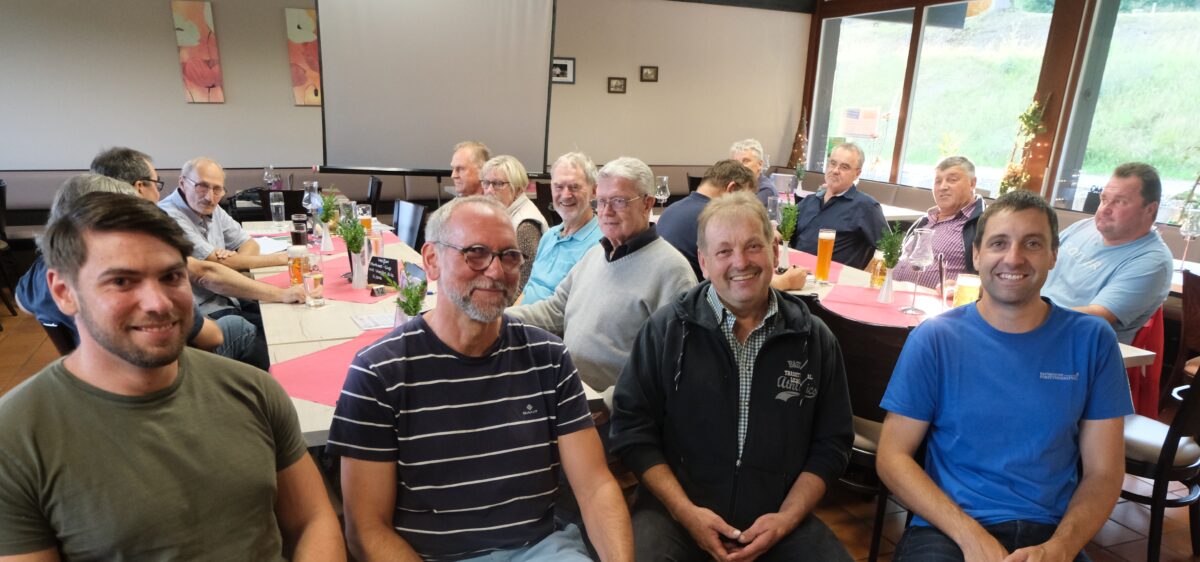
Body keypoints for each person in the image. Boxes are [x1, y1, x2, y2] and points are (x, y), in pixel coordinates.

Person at [0, 192, 345, 560]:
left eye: (171, 276)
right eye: (121, 281)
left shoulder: (253, 389)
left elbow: (312, 520)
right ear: (63, 292)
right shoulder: (17, 437)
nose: (159, 303)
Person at [327, 196, 634, 562]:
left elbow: (596, 486)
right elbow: (366, 530)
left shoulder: (548, 359)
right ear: (431, 260)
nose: (495, 270)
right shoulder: (379, 373)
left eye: (509, 256)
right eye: (475, 253)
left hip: (539, 550)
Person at [877, 189, 1132, 561]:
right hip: (949, 529)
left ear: (1053, 256)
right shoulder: (935, 338)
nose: (1014, 258)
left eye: (1032, 243)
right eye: (999, 243)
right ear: (977, 255)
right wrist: (971, 539)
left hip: (1051, 531)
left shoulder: (1092, 340)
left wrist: (1061, 548)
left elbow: (1104, 472)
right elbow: (892, 456)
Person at [611, 192, 855, 562]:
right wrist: (685, 512)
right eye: (724, 251)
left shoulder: (814, 338)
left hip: (777, 518)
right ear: (704, 263)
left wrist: (786, 519)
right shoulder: (666, 330)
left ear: (775, 253)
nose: (740, 262)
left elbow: (832, 444)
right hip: (675, 513)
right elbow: (632, 429)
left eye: (753, 246)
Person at [507, 156, 697, 400]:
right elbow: (555, 310)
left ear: (647, 203)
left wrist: (610, 402)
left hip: (618, 413)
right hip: (568, 390)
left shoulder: (672, 271)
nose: (606, 212)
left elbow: (674, 364)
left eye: (619, 201)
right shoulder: (596, 254)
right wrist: (499, 320)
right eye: (601, 201)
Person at [15, 174, 229, 356]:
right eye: (121, 282)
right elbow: (212, 337)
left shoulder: (42, 269)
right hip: (166, 358)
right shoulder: (147, 281)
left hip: (91, 364)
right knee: (240, 328)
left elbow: (22, 303)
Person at [159, 157, 308, 365]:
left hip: (231, 297)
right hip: (208, 313)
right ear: (182, 183)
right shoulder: (167, 216)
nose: (210, 197)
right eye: (202, 187)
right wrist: (283, 259)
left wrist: (232, 261)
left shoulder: (211, 206)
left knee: (291, 321)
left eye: (217, 189)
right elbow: (209, 272)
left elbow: (248, 243)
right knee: (278, 340)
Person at [1041, 162, 1173, 345]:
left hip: (1076, 348)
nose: (1104, 209)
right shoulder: (1084, 227)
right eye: (1104, 199)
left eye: (1119, 202)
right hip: (1035, 329)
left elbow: (1096, 317)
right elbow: (1036, 263)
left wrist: (1027, 315)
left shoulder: (1152, 261)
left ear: (1150, 209)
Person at [658, 159, 810, 291]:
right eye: (747, 199)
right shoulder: (713, 221)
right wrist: (786, 281)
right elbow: (740, 282)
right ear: (732, 190)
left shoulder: (671, 210)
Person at [522, 151, 604, 305]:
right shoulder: (549, 236)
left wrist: (510, 320)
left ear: (594, 191)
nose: (565, 195)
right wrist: (508, 318)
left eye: (574, 187)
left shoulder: (600, 245)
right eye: (558, 187)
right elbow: (528, 290)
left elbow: (570, 312)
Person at [893, 156, 986, 289]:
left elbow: (999, 279)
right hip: (894, 295)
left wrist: (973, 288)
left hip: (936, 306)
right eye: (938, 181)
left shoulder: (983, 224)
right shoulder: (925, 220)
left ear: (972, 183)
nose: (943, 187)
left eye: (952, 180)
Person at [789, 143, 886, 270]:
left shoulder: (866, 207)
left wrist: (864, 278)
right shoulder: (809, 201)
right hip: (794, 273)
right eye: (833, 163)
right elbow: (782, 233)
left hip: (831, 283)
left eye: (844, 167)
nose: (835, 170)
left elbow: (888, 250)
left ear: (857, 174)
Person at [480, 154, 549, 295]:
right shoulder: (504, 212)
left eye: (498, 184)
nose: (489, 190)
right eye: (486, 183)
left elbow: (524, 285)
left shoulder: (525, 226)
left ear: (518, 189)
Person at [730, 138, 778, 206]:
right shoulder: (734, 185)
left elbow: (742, 214)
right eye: (736, 162)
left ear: (760, 164)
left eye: (746, 161)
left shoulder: (766, 190)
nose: (739, 166)